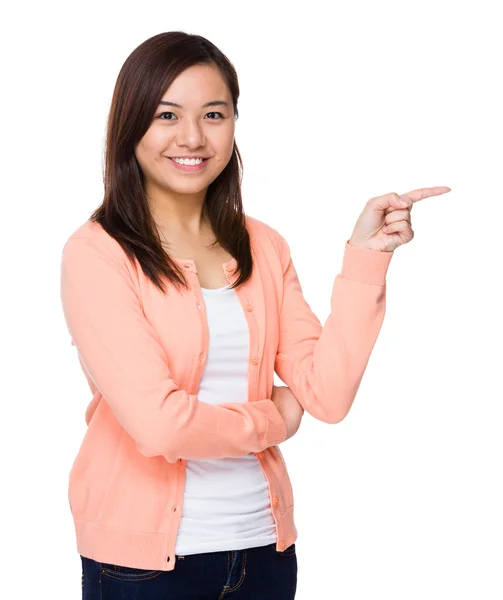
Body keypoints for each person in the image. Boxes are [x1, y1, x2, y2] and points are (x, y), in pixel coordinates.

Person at [60, 31, 451, 599]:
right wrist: (274, 419)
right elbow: (160, 424)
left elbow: (326, 394)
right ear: (131, 125)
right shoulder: (97, 253)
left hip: (264, 551)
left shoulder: (262, 245)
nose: (192, 137)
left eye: (213, 114)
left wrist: (366, 259)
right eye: (167, 115)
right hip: (143, 568)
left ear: (234, 124)